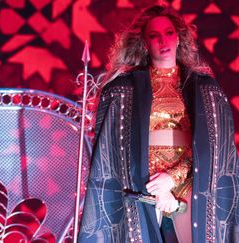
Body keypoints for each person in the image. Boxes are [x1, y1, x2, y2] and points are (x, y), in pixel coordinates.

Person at [78, 4, 238, 243]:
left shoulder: (205, 88)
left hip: (192, 183)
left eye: (169, 33)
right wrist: (155, 185)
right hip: (141, 184)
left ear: (179, 38)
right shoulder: (123, 89)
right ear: (144, 42)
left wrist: (172, 179)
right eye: (154, 36)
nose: (163, 40)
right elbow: (111, 153)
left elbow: (214, 150)